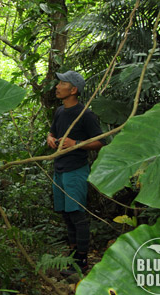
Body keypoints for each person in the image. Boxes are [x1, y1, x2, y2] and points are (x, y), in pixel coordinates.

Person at [47, 71, 105, 275]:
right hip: (59, 169)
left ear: (73, 90)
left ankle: (82, 263)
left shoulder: (85, 114)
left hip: (75, 170)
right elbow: (53, 131)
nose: (57, 86)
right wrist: (50, 138)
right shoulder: (60, 112)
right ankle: (72, 259)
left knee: (77, 215)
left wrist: (76, 144)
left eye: (61, 83)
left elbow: (100, 141)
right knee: (66, 215)